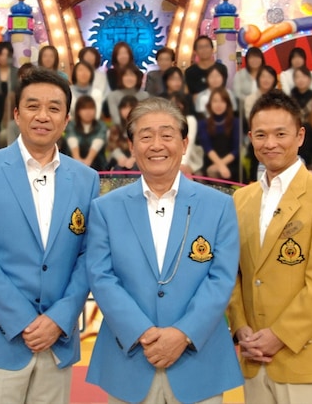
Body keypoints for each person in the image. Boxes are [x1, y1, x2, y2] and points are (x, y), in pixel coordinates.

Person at [86, 97, 242, 403]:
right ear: (131, 147)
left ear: (184, 144)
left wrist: (183, 333)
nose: (156, 145)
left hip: (199, 362)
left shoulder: (220, 206)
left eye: (167, 135)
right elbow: (101, 277)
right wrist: (142, 332)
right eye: (145, 136)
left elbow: (221, 279)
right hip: (130, 360)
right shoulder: (106, 208)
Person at [0, 69, 99, 403]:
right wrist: (22, 321)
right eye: (33, 106)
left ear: (66, 119)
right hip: (0, 335)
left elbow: (89, 255)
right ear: (17, 114)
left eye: (54, 108)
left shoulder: (86, 178)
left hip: (58, 338)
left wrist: (58, 319)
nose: (43, 116)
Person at [229, 89, 312, 404]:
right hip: (253, 356)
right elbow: (232, 272)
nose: (270, 143)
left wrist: (279, 335)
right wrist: (241, 327)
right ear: (251, 138)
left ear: (300, 136)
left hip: (303, 357)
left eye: (280, 134)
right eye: (261, 135)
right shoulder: (241, 199)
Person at [198, 88, 241, 182]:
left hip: (231, 162)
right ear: (210, 104)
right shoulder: (203, 124)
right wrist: (220, 165)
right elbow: (208, 148)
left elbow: (236, 150)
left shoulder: (236, 122)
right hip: (211, 161)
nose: (218, 105)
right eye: (215, 101)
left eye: (222, 101)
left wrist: (222, 165)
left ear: (227, 104)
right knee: (211, 171)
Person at [64, 95, 107, 171]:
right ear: (78, 111)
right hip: (73, 164)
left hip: (97, 165)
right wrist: (78, 160)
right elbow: (72, 140)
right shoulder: (71, 125)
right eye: (84, 109)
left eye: (91, 108)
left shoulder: (101, 125)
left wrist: (88, 160)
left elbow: (98, 142)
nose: (88, 112)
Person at [168, 92, 204, 175]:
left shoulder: (190, 120)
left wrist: (182, 163)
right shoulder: (165, 121)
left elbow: (189, 142)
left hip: (189, 158)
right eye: (173, 103)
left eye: (179, 103)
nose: (176, 106)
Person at [106, 95, 139, 171]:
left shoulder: (142, 127)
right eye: (124, 108)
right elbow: (113, 147)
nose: (127, 110)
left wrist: (133, 159)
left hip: (138, 159)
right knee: (118, 168)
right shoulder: (116, 128)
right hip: (120, 160)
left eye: (130, 107)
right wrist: (121, 158)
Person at [232, 47, 264, 116]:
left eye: (257, 57)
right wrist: (250, 101)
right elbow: (237, 93)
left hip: (265, 108)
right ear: (247, 60)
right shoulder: (240, 75)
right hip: (245, 110)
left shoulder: (266, 73)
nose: (254, 60)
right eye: (251, 58)